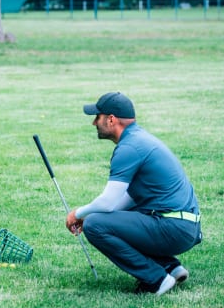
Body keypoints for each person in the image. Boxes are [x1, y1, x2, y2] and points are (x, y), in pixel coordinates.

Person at [65, 92, 202, 295]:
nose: (94, 122)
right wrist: (97, 215)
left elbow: (108, 202)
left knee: (95, 225)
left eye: (97, 117)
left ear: (111, 119)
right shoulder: (140, 138)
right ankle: (169, 266)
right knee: (106, 217)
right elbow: (128, 199)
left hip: (174, 228)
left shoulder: (129, 147)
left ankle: (156, 280)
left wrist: (79, 214)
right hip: (186, 226)